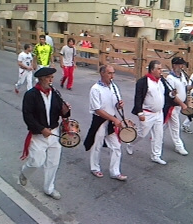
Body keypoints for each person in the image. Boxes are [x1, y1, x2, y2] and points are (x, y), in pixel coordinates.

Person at [19, 67, 71, 200]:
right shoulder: (31, 95)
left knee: (53, 162)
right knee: (36, 162)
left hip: (54, 132)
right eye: (49, 78)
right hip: (38, 135)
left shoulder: (55, 93)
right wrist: (41, 129)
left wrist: (65, 110)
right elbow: (28, 116)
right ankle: (25, 173)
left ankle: (49, 188)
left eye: (52, 77)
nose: (51, 80)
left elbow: (61, 111)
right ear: (41, 79)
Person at [83, 65, 127, 181]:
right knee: (96, 145)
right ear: (102, 73)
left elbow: (115, 104)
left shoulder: (114, 87)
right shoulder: (95, 89)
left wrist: (119, 105)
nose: (112, 76)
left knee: (116, 146)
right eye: (109, 73)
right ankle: (95, 168)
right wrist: (114, 120)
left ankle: (115, 172)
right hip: (100, 120)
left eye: (113, 73)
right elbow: (97, 109)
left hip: (111, 120)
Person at [126, 60, 167, 165]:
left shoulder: (161, 81)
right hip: (147, 113)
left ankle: (156, 155)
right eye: (158, 69)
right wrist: (140, 113)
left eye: (161, 68)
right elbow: (138, 97)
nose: (160, 71)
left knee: (159, 135)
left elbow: (166, 93)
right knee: (142, 134)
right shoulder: (143, 82)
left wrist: (171, 95)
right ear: (152, 70)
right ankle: (130, 143)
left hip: (159, 113)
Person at [163, 57, 193, 156]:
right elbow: (172, 96)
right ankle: (179, 146)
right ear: (174, 65)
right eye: (180, 64)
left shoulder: (182, 76)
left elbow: (185, 88)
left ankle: (156, 135)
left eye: (182, 64)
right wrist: (183, 104)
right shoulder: (170, 78)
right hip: (172, 106)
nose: (182, 66)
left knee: (166, 124)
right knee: (175, 126)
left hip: (179, 106)